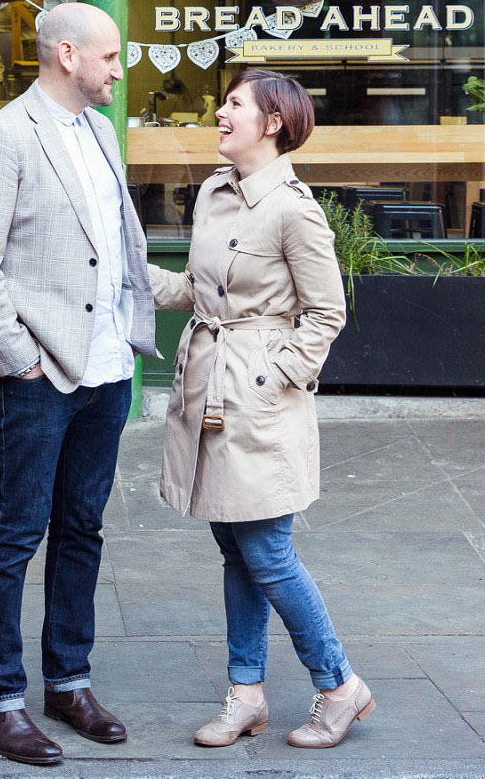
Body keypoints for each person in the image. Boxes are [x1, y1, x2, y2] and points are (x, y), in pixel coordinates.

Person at [0, 1, 158, 767]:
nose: (118, 68)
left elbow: (116, 254)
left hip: (107, 370)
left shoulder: (102, 133)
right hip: (38, 378)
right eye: (110, 55)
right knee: (14, 533)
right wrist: (20, 360)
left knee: (83, 529)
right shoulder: (2, 138)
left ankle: (68, 681)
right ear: (66, 53)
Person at [146, 68, 373, 750]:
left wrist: (275, 376)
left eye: (234, 104)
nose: (219, 112)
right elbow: (199, 287)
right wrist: (131, 274)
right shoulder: (216, 192)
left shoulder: (294, 209)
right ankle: (246, 693)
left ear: (272, 122)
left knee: (267, 548)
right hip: (207, 389)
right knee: (235, 545)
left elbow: (326, 310)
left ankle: (338, 684)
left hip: (257, 396)